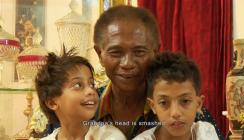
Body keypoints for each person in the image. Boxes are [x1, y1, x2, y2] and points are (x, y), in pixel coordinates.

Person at [94, 5, 224, 140]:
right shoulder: (85, 106)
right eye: (115, 52)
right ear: (99, 54)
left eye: (139, 52)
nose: (127, 63)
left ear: (155, 52)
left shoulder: (192, 113)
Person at [35, 48, 126, 140]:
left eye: (92, 84)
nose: (91, 91)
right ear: (52, 103)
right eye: (78, 85)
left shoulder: (110, 136)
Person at [132, 51, 219, 140]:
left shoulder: (206, 132)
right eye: (164, 103)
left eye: (185, 101)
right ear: (153, 106)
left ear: (198, 104)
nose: (175, 113)